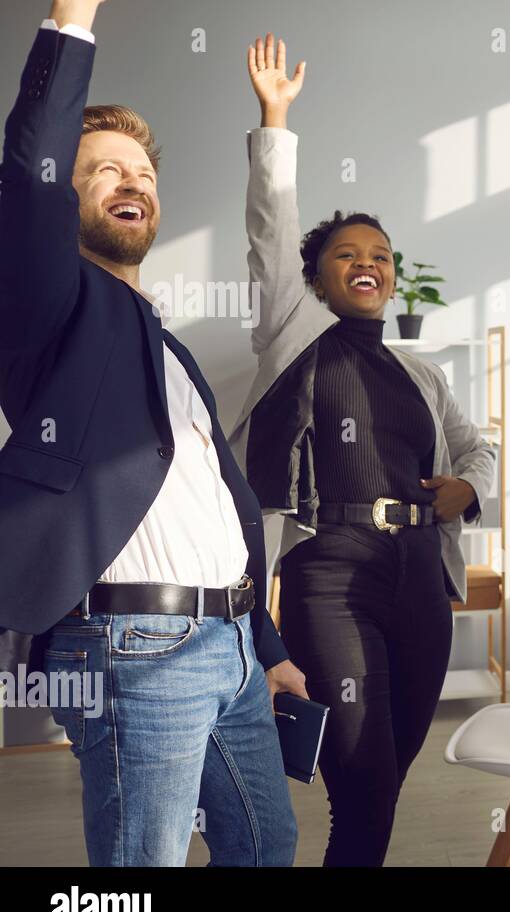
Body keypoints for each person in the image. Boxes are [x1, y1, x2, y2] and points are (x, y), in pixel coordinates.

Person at [0, 0, 303, 866]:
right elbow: (26, 178)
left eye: (143, 171)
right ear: (64, 198)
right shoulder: (45, 311)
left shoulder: (162, 345)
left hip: (232, 646)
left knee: (263, 845)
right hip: (131, 651)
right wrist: (72, 18)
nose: (132, 181)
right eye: (101, 171)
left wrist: (266, 648)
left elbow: (222, 508)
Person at [226, 34, 497, 867]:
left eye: (381, 255)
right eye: (348, 254)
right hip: (329, 571)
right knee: (359, 775)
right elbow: (272, 233)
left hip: (419, 573)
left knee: (385, 778)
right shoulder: (295, 337)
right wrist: (275, 119)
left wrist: (467, 490)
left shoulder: (419, 371)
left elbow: (474, 446)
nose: (369, 264)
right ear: (315, 279)